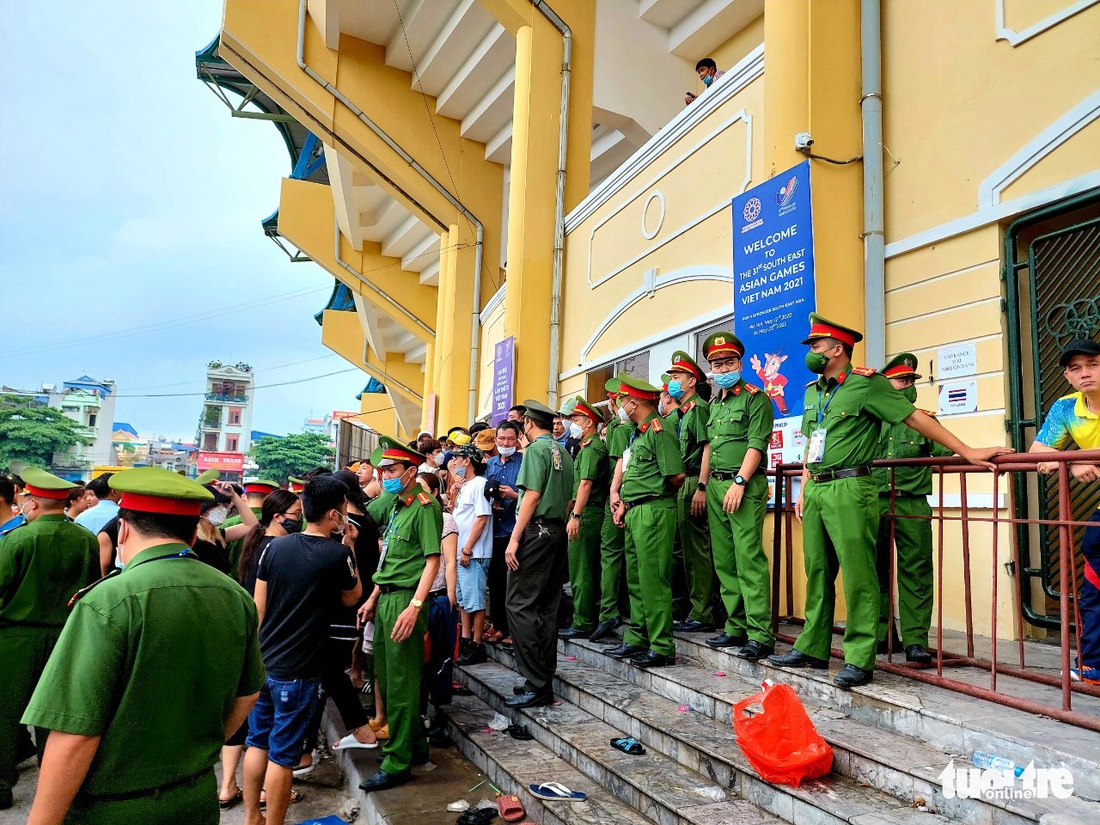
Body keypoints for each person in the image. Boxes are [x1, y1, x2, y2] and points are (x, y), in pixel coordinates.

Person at [768, 313, 1010, 688]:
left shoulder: (869, 385)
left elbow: (914, 419)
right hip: (816, 488)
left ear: (837, 349)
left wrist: (966, 450)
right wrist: (803, 487)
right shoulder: (815, 391)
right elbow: (812, 441)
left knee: (860, 575)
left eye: (815, 345)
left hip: (852, 488)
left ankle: (861, 657)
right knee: (817, 570)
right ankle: (813, 647)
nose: (811, 352)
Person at [21, 467, 264, 824]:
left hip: (113, 808)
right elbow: (248, 695)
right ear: (192, 537)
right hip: (194, 798)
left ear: (124, 530)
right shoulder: (235, 597)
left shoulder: (110, 600)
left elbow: (74, 734)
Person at [242, 475, 367, 825]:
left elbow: (258, 608)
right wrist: (350, 547)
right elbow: (352, 597)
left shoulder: (274, 548)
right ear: (333, 514)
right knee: (283, 756)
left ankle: (252, 817)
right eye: (343, 509)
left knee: (257, 743)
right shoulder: (338, 553)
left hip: (265, 661)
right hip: (299, 670)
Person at [0, 467, 100, 811]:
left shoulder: (18, 539)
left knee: (4, 713)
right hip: (66, 636)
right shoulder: (86, 538)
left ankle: (1, 785)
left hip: (15, 637)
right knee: (53, 716)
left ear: (32, 501)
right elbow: (91, 588)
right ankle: (55, 784)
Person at [356, 437, 442, 793]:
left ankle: (397, 762)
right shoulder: (397, 505)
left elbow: (432, 560)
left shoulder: (424, 506)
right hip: (388, 598)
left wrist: (416, 606)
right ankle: (415, 747)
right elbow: (390, 557)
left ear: (410, 471)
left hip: (407, 601)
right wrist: (375, 594)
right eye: (381, 470)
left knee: (402, 685)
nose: (384, 475)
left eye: (390, 470)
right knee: (389, 681)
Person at [218, 489, 302, 809]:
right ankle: (269, 791)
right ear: (278, 516)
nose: (300, 518)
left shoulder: (254, 544)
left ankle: (227, 785)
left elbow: (254, 524)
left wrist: (238, 500)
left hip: (242, 634)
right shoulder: (279, 550)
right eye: (296, 513)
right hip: (266, 642)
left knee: (242, 718)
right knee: (263, 730)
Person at [696, 333, 775, 660]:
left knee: (748, 558)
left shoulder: (755, 398)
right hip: (715, 487)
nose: (722, 367)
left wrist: (740, 481)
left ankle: (760, 634)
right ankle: (735, 626)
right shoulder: (714, 404)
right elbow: (710, 447)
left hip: (742, 485)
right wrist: (702, 487)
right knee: (725, 560)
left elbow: (757, 443)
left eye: (728, 362)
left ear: (740, 364)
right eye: (716, 364)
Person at [874, 353, 953, 664]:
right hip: (875, 500)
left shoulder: (925, 419)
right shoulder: (871, 419)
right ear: (886, 384)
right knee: (873, 571)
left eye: (910, 381)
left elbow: (945, 451)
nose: (907, 386)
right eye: (901, 380)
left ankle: (915, 641)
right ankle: (880, 635)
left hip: (912, 501)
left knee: (916, 571)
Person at [1029, 338, 1100, 684]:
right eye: (1076, 368)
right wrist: (1070, 464)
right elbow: (1038, 450)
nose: (1084, 373)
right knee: (1094, 580)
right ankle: (1094, 663)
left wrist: (1082, 456)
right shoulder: (1066, 407)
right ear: (1068, 377)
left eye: (1093, 364)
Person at [605, 375, 686, 669]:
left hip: (653, 510)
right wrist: (625, 502)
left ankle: (662, 645)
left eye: (620, 402)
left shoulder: (658, 430)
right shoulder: (637, 434)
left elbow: (676, 475)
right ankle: (638, 636)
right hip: (635, 509)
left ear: (634, 402)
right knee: (637, 580)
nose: (618, 407)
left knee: (654, 580)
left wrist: (651, 497)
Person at [504, 400, 574, 708]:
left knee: (519, 605)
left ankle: (536, 681)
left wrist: (514, 539)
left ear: (528, 424)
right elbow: (569, 499)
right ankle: (542, 679)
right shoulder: (564, 451)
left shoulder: (536, 450)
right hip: (556, 532)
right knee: (547, 607)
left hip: (536, 531)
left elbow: (531, 495)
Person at [663, 351, 720, 636]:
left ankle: (703, 612)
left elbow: (707, 446)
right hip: (681, 484)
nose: (672, 383)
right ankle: (686, 606)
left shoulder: (698, 409)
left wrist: (701, 486)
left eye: (676, 377)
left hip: (695, 480)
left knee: (697, 551)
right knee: (681, 550)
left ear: (691, 382)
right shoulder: (682, 413)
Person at [559, 397, 610, 640]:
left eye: (575, 420)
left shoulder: (591, 449)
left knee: (582, 571)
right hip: (587, 512)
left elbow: (585, 484)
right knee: (585, 568)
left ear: (589, 422)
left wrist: (575, 515)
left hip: (588, 513)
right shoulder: (587, 447)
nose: (571, 425)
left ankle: (583, 620)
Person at [416, 472, 459, 718]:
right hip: (415, 595)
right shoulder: (412, 514)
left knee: (437, 659)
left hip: (437, 595)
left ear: (434, 493)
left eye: (422, 488)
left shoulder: (445, 520)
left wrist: (451, 597)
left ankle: (435, 714)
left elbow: (450, 561)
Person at [452, 445, 493, 666]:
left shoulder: (480, 485)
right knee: (464, 601)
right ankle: (466, 639)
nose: (454, 463)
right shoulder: (466, 486)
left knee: (475, 601)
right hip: (461, 553)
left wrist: (468, 549)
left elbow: (481, 518)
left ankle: (477, 643)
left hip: (474, 553)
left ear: (467, 461)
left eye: (457, 459)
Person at [484, 421, 523, 646]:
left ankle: (511, 628)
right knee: (496, 582)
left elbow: (531, 495)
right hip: (494, 531)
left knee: (513, 583)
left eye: (509, 439)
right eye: (501, 439)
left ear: (517, 439)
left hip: (515, 531)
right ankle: (498, 625)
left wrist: (513, 495)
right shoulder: (490, 464)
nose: (505, 443)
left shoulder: (525, 462)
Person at [192, 482, 259, 574]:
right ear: (203, 509)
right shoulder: (194, 539)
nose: (222, 509)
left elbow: (252, 525)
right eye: (216, 505)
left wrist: (234, 496)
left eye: (223, 505)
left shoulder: (218, 536)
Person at [223, 479, 278, 574]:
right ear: (269, 499)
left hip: (232, 582)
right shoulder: (277, 522)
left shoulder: (227, 523)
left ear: (244, 497)